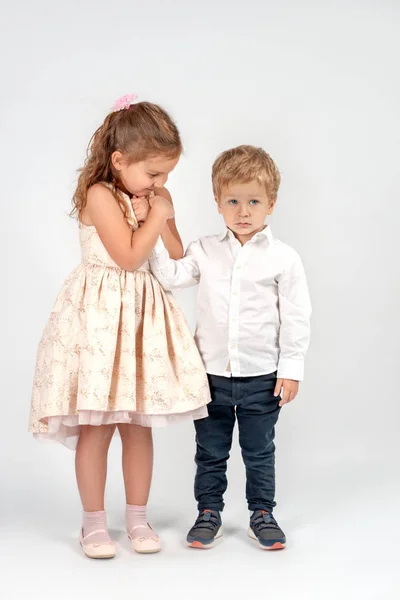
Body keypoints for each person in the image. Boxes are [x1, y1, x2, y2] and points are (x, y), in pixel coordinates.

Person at [29, 94, 210, 559]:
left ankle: (137, 517)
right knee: (97, 426)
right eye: (153, 173)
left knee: (136, 424)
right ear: (119, 159)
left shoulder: (150, 196)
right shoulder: (99, 196)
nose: (161, 182)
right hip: (100, 318)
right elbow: (129, 257)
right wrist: (156, 216)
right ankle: (93, 524)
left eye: (167, 174)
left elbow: (172, 252)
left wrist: (162, 211)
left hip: (140, 321)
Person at [149, 144, 311, 551]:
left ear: (270, 204)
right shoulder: (204, 250)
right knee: (210, 451)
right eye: (233, 201)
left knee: (259, 452)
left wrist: (291, 368)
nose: (243, 211)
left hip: (262, 377)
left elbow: (295, 316)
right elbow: (170, 275)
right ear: (218, 203)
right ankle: (209, 512)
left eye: (253, 201)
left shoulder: (284, 258)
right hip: (211, 376)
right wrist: (156, 226)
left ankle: (262, 512)